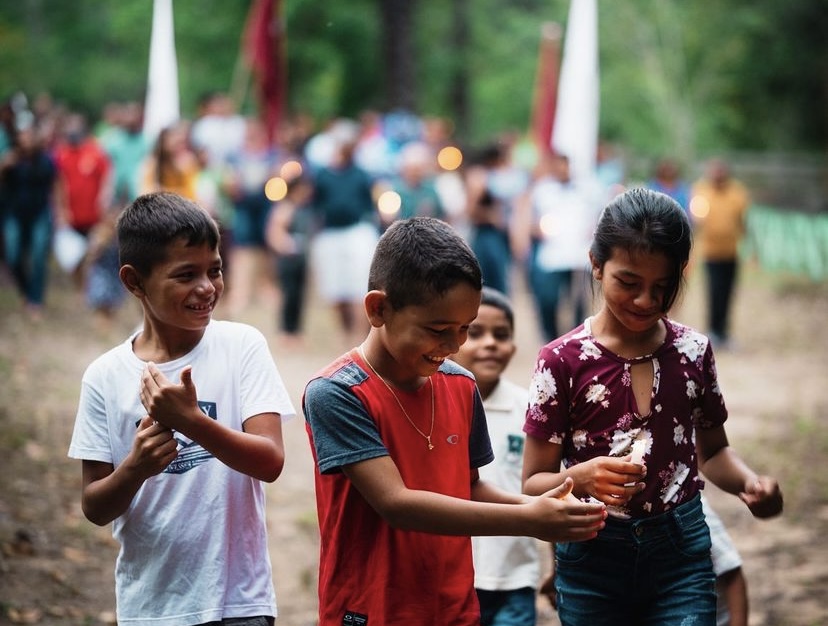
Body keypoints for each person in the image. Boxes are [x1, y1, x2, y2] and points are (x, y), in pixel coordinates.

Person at [302, 216, 607, 626]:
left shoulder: (460, 385)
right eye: (438, 329)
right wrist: (528, 519)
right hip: (370, 608)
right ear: (379, 308)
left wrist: (538, 506)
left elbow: (469, 487)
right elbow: (397, 504)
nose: (453, 346)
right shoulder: (337, 393)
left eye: (464, 328)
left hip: (453, 605)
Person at [521, 187, 783, 626]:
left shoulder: (693, 351)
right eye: (629, 283)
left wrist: (750, 483)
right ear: (596, 264)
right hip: (591, 556)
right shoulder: (560, 362)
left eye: (662, 287)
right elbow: (532, 483)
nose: (645, 301)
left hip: (682, 553)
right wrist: (580, 477)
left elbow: (713, 453)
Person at [67, 191, 295, 626]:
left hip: (240, 601)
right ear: (134, 282)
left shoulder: (241, 347)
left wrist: (191, 423)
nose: (207, 287)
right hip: (151, 606)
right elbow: (95, 506)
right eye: (186, 274)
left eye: (215, 269)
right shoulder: (105, 376)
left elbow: (270, 461)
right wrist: (135, 468)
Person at [451, 286, 541, 626]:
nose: (490, 343)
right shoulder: (437, 406)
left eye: (500, 335)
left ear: (513, 347)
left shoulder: (530, 410)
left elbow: (549, 489)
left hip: (514, 576)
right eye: (475, 333)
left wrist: (556, 567)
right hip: (455, 575)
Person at [690, 158, 750, 349]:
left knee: (728, 292)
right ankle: (713, 330)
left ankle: (724, 331)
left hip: (731, 251)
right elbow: (696, 217)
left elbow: (742, 219)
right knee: (714, 291)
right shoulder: (701, 190)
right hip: (710, 252)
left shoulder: (737, 192)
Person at [0, 123, 58, 319]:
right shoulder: (11, 160)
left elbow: (56, 185)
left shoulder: (45, 161)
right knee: (13, 255)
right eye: (23, 136)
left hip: (39, 214)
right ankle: (25, 290)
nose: (26, 140)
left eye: (30, 136)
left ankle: (36, 300)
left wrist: (60, 212)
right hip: (14, 214)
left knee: (39, 256)